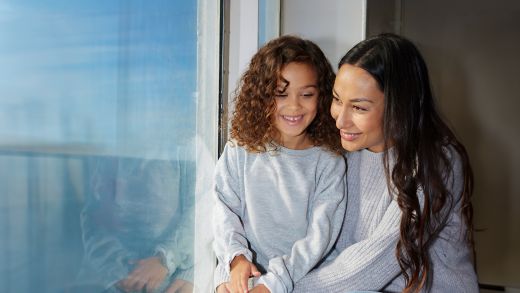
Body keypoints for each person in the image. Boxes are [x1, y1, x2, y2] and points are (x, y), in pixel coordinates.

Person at [293, 33, 478, 292]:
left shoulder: (436, 162)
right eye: (337, 100)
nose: (340, 120)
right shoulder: (345, 151)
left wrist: (282, 287)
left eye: (359, 108)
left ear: (398, 106)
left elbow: (370, 267)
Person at [213, 35, 347, 293]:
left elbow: (319, 238)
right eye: (280, 94)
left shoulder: (329, 162)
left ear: (321, 96)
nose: (294, 106)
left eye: (306, 94)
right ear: (262, 95)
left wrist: (272, 284)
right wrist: (236, 257)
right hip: (245, 272)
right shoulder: (240, 149)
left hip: (303, 279)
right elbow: (224, 210)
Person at [75, 149, 195, 293]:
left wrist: (171, 262)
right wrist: (122, 272)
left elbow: (204, 217)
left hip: (175, 277)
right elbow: (95, 217)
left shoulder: (190, 145)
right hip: (112, 277)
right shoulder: (116, 147)